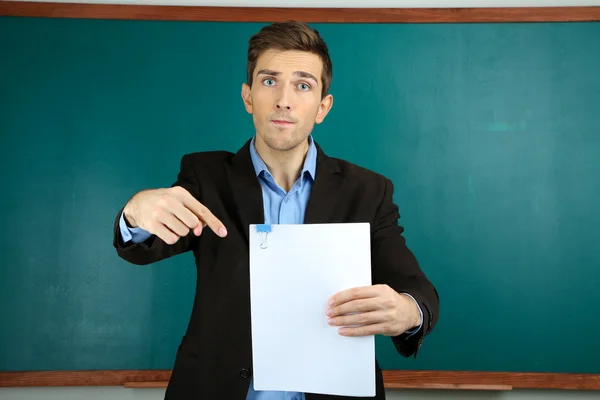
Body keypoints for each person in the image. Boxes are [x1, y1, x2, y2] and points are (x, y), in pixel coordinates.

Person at [113, 20, 439, 400]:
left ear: (322, 106)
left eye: (303, 85)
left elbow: (418, 290)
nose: (284, 99)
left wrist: (406, 312)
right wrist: (135, 213)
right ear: (248, 97)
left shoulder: (368, 191)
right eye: (269, 81)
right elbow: (145, 244)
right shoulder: (205, 177)